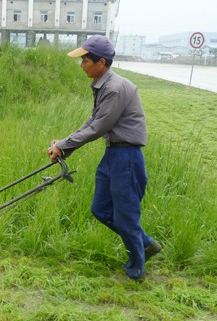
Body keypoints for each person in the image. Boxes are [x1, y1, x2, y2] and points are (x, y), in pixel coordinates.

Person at [47, 35, 161, 280]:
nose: (81, 65)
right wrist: (63, 146)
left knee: (126, 214)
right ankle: (145, 243)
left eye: (85, 60)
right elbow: (93, 121)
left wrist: (64, 145)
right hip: (113, 154)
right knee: (100, 209)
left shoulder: (115, 88)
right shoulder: (103, 85)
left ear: (100, 62)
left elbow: (99, 127)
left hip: (126, 157)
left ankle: (137, 269)